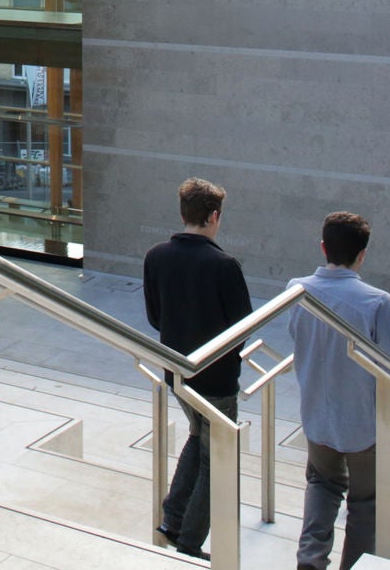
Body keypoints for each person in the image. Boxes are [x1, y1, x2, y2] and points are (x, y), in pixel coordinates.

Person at [289, 212, 390, 570]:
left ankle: (310, 560)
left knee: (322, 484)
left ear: (323, 247)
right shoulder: (377, 302)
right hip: (364, 426)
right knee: (366, 504)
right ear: (362, 254)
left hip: (316, 417)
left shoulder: (296, 291)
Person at [142, 177, 252, 561]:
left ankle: (172, 519)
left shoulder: (156, 256)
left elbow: (155, 317)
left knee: (197, 436)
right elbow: (243, 327)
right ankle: (189, 541)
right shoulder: (225, 265)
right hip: (217, 379)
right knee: (216, 456)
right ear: (214, 216)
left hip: (177, 372)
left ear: (183, 213)